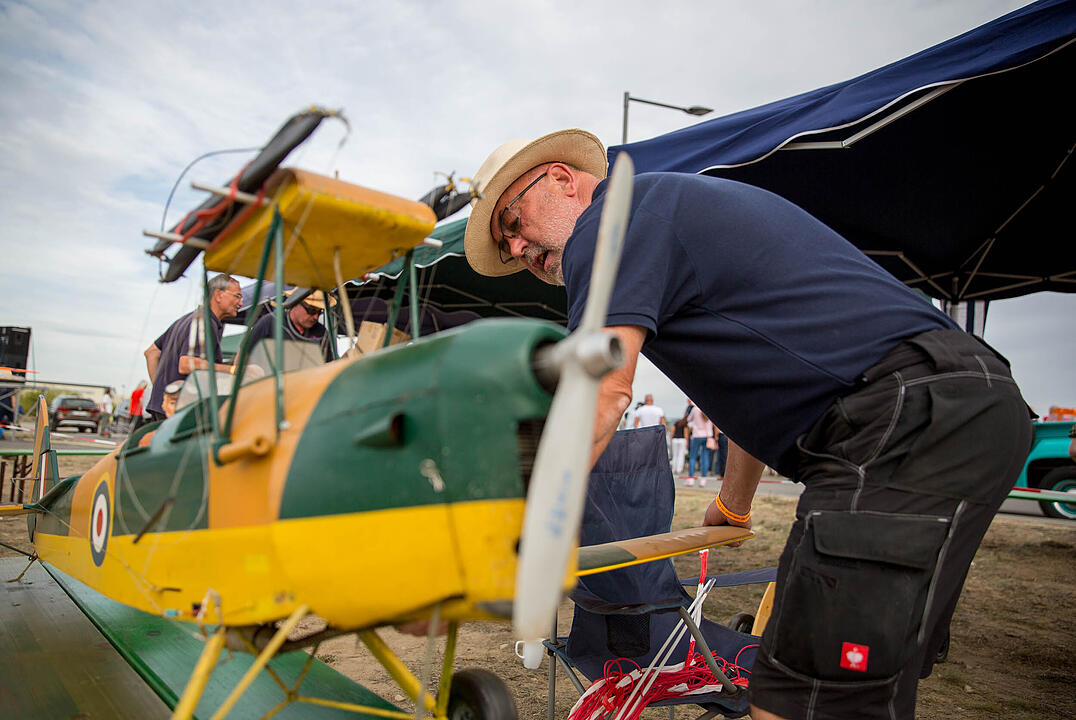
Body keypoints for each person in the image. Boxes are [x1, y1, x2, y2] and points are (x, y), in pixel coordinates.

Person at [463, 129, 1032, 720]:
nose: (517, 248)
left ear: (560, 178)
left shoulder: (607, 225)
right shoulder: (664, 214)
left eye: (513, 220)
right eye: (506, 247)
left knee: (793, 704)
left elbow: (602, 391)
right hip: (965, 409)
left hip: (898, 423)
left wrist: (517, 523)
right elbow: (750, 391)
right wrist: (733, 503)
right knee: (857, 694)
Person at [143, 273, 241, 422]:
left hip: (164, 406)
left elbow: (151, 352)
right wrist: (233, 370)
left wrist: (163, 391)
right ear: (218, 295)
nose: (240, 303)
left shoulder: (186, 319)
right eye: (237, 296)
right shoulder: (205, 322)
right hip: (182, 410)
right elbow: (186, 364)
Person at [248, 289, 337, 362]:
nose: (316, 317)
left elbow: (327, 363)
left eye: (319, 312)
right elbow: (245, 355)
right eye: (311, 311)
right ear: (295, 304)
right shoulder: (269, 323)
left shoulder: (321, 332)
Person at [685, 403, 713, 486]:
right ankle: (703, 479)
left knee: (693, 457)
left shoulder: (695, 409)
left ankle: (691, 479)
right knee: (705, 457)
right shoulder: (710, 408)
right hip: (707, 436)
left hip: (697, 435)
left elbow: (688, 419)